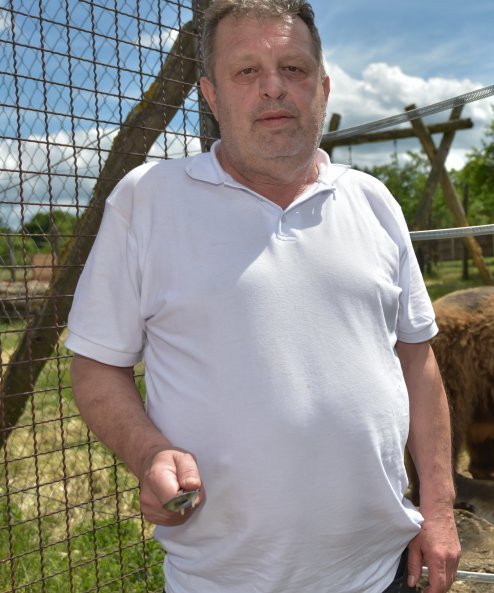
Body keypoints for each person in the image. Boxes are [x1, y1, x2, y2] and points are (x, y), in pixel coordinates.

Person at [66, 1, 460, 591]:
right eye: (246, 71)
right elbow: (95, 367)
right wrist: (147, 453)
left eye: (294, 69)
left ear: (322, 88)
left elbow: (418, 361)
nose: (274, 88)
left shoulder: (373, 201)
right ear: (211, 95)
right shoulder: (148, 201)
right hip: (223, 578)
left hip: (384, 569)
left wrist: (440, 511)